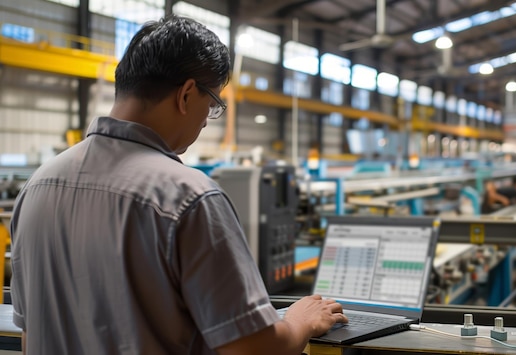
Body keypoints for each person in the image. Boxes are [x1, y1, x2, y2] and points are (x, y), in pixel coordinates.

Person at [10, 15, 347, 355]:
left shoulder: (37, 186)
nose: (206, 120)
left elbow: (29, 334)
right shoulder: (189, 197)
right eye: (213, 104)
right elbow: (251, 348)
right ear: (187, 94)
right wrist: (299, 321)